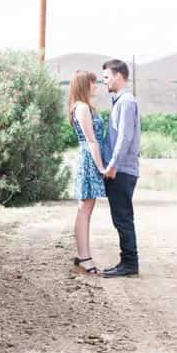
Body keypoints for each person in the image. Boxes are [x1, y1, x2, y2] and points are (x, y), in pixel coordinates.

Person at [101, 58, 141, 277]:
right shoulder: (120, 101)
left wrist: (113, 165)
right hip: (121, 168)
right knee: (121, 217)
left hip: (122, 170)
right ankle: (127, 262)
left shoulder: (125, 102)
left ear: (118, 76)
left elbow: (124, 138)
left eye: (107, 77)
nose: (104, 81)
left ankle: (130, 264)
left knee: (123, 218)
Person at [66, 69, 109, 275]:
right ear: (84, 85)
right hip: (89, 160)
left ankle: (84, 256)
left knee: (85, 210)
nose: (96, 86)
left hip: (88, 158)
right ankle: (84, 257)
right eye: (93, 83)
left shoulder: (82, 107)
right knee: (84, 210)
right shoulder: (82, 108)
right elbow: (91, 140)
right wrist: (101, 167)